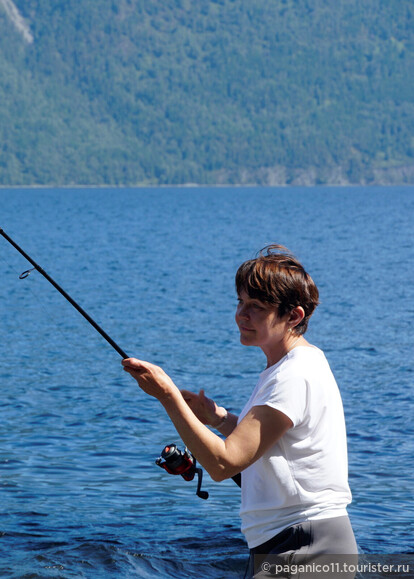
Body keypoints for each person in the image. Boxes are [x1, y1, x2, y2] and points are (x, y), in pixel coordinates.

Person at [122, 245, 356, 578]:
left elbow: (223, 463)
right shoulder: (294, 365)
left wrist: (167, 395)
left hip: (306, 547)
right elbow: (274, 446)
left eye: (256, 307)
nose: (241, 315)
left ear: (294, 316)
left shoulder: (293, 375)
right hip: (291, 543)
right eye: (240, 302)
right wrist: (219, 419)